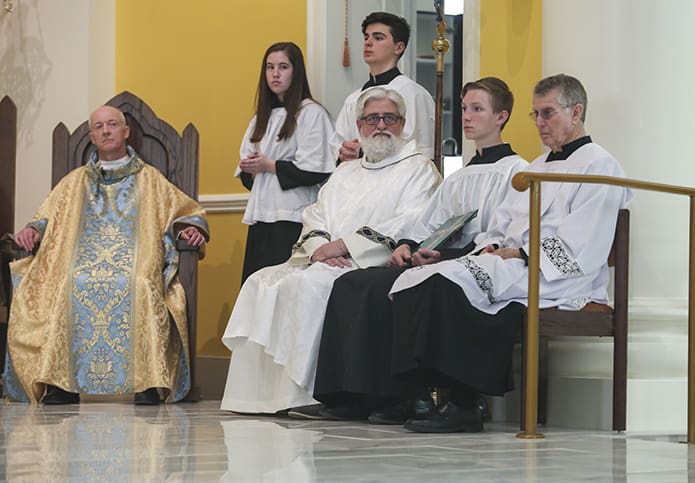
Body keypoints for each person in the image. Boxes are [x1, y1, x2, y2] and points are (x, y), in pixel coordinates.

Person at [384, 73, 632, 433]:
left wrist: (522, 254)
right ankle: (423, 395)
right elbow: (500, 225)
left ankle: (465, 403)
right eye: (536, 115)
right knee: (419, 278)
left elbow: (585, 242)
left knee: (453, 284)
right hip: (515, 263)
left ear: (576, 112)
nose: (540, 124)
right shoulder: (537, 166)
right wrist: (493, 247)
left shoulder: (600, 166)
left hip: (560, 276)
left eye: (548, 113)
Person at [311, 77, 528, 422]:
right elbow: (430, 222)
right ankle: (356, 393)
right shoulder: (458, 176)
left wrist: (446, 255)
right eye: (464, 109)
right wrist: (408, 246)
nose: (467, 117)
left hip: (475, 260)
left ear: (501, 117)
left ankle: (409, 395)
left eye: (477, 109)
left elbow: (503, 235)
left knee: (407, 287)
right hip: (437, 256)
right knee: (356, 283)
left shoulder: (516, 171)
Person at [220, 87, 441, 414]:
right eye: (372, 119)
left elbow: (413, 220)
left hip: (368, 264)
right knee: (262, 280)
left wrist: (346, 246)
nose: (380, 125)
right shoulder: (345, 171)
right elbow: (316, 214)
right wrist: (321, 248)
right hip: (327, 259)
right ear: (359, 125)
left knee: (308, 286)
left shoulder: (418, 169)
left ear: (403, 124)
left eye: (389, 118)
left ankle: (309, 394)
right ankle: (259, 397)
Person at [3, 106, 209, 405]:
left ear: (126, 132)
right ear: (91, 137)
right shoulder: (74, 181)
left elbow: (186, 211)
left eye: (113, 124)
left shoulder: (150, 179)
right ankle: (61, 383)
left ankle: (148, 382)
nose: (106, 131)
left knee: (140, 282)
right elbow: (46, 216)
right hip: (78, 263)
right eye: (99, 127)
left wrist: (191, 228)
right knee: (68, 282)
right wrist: (33, 230)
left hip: (136, 262)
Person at [237, 42, 335, 283]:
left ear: (296, 71)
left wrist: (269, 166)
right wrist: (251, 168)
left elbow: (315, 170)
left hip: (294, 218)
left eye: (283, 67)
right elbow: (248, 174)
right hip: (262, 216)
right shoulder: (260, 118)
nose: (275, 74)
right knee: (257, 284)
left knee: (285, 285)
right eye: (270, 67)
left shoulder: (311, 113)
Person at [331, 11, 435, 163]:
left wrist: (363, 152)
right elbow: (337, 145)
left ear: (398, 47)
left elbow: (422, 150)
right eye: (366, 37)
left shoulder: (414, 95)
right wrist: (344, 153)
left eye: (378, 38)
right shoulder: (353, 99)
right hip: (356, 180)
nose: (368, 42)